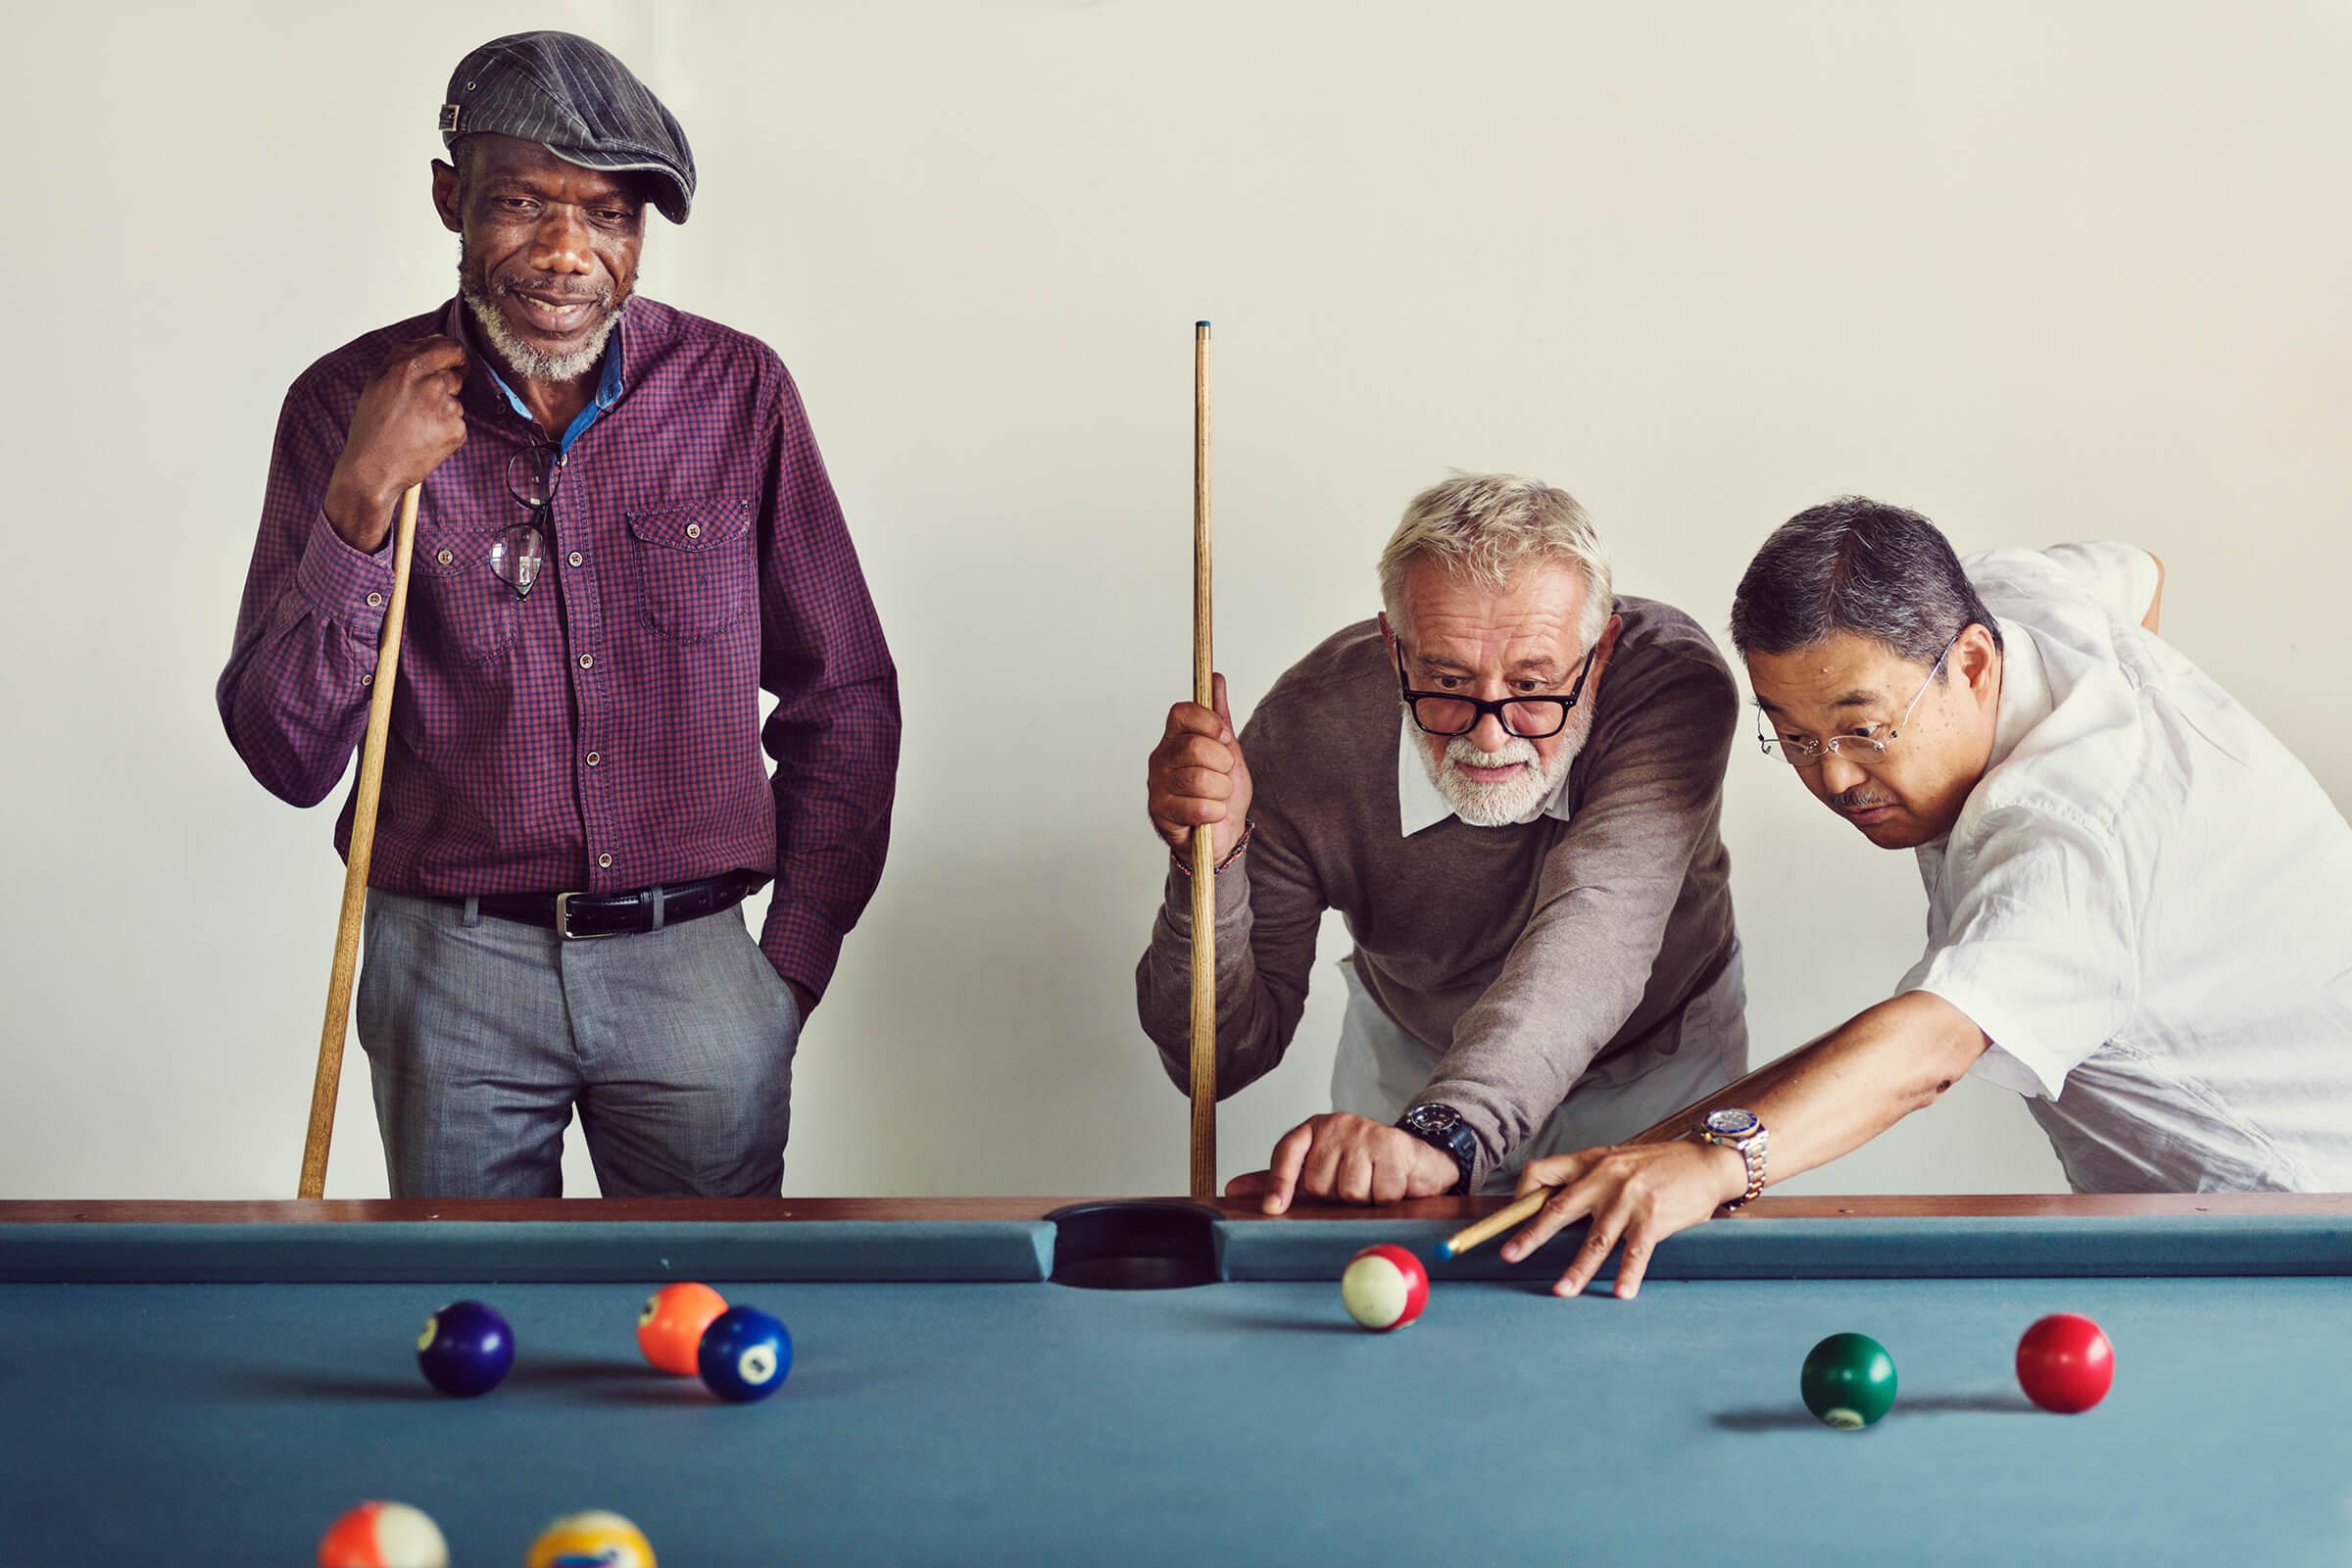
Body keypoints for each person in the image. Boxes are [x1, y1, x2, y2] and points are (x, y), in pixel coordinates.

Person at [217, 32, 900, 1198]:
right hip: (450, 970)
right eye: (523, 202)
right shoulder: (344, 405)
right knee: (479, 1332)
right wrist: (363, 498)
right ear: (449, 197)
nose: (568, 254)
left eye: (612, 214)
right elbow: (286, 753)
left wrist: (788, 964)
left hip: (696, 970)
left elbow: (846, 692)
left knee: (700, 1335)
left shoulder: (738, 393)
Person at [1504, 498, 2352, 1298]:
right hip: (2187, 1222)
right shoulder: (2015, 597)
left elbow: (1931, 1052)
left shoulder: (2067, 839)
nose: (1832, 774)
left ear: (1974, 667)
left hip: (2301, 1226)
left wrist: (1716, 1164)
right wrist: (1660, 1149)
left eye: (1862, 727)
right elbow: (2138, 570)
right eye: (1794, 736)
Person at [1137, 473, 1746, 1205]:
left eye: (1532, 685)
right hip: (1413, 1059)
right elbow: (1215, 1060)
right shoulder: (1305, 731)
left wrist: (1445, 1134)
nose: (1490, 735)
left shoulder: (1671, 685)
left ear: (1601, 652)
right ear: (1394, 650)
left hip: (1655, 1062)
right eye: (1449, 681)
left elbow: (1598, 930)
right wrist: (1210, 858)